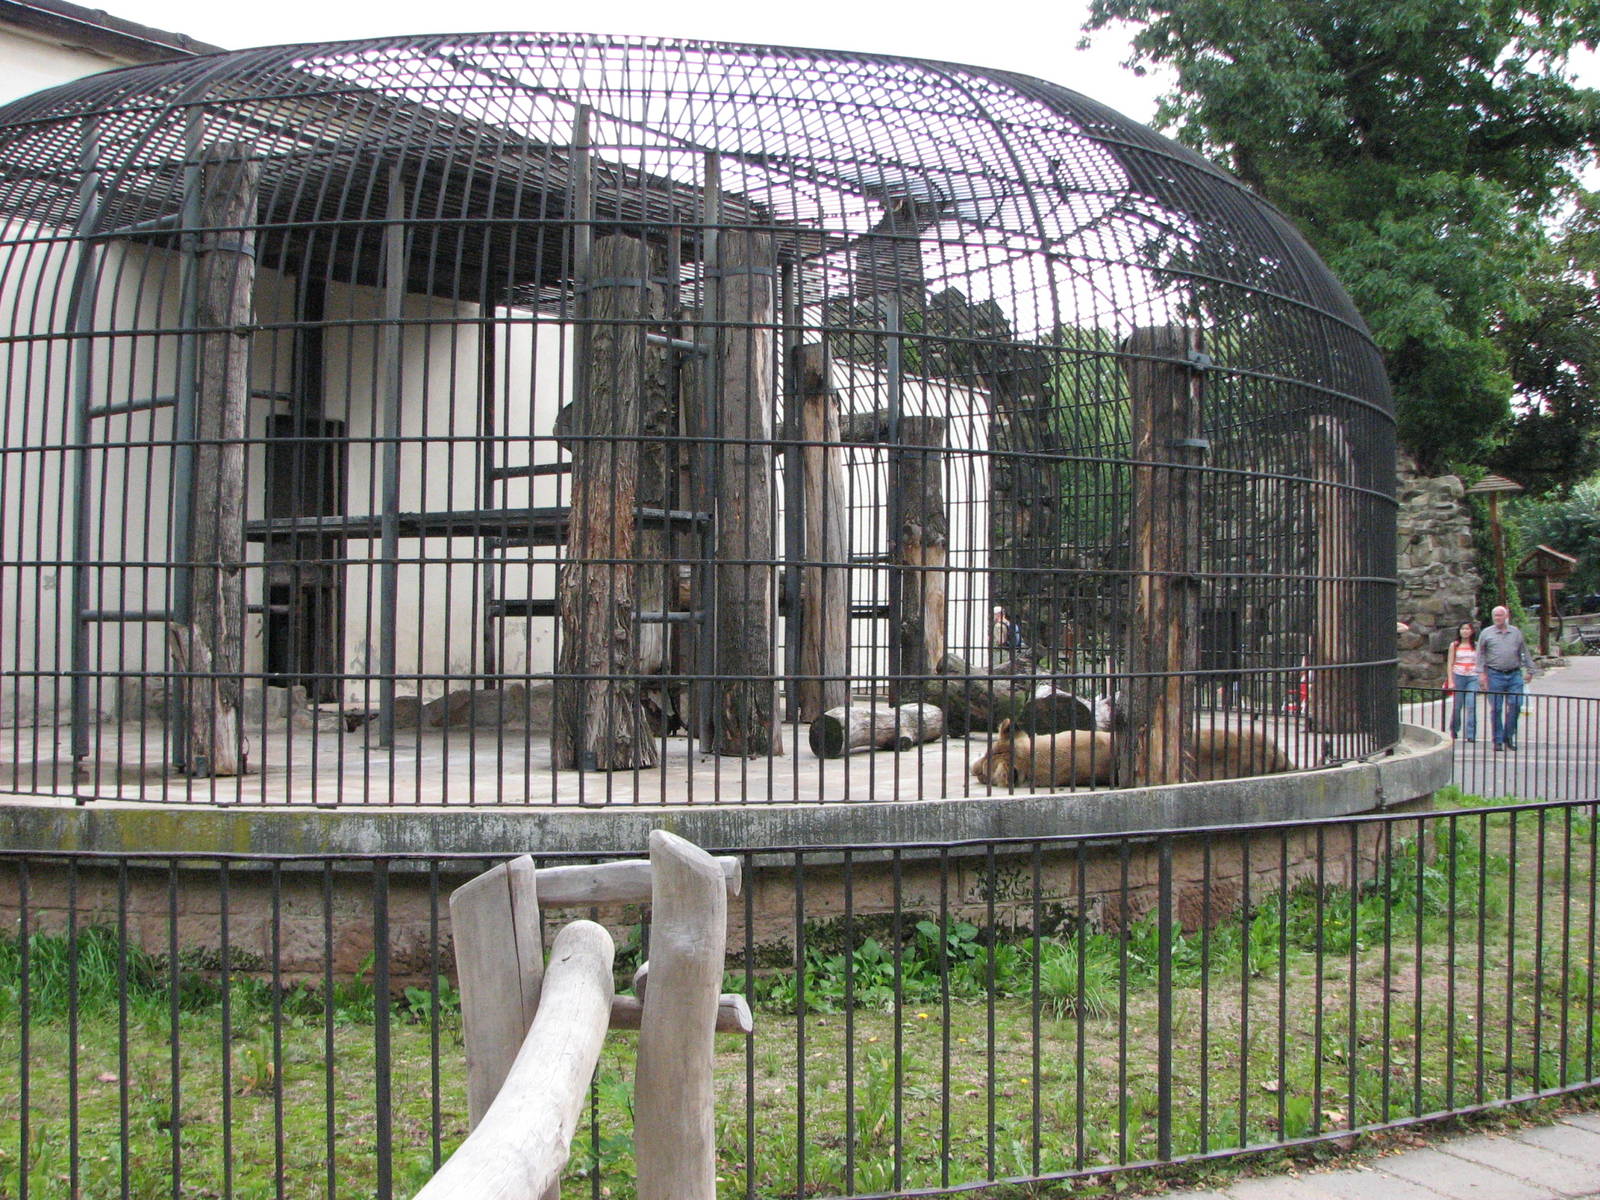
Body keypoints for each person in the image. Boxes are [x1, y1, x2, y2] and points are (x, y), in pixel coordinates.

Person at [1477, 605, 1537, 751]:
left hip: (1514, 673)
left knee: (1516, 704)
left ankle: (1508, 735)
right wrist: (1481, 674)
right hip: (1494, 673)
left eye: (1500, 615)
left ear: (1506, 616)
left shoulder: (1515, 632)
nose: (1497, 618)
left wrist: (1530, 669)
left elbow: (1524, 651)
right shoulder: (1486, 633)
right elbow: (1480, 654)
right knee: (1496, 708)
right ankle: (1497, 739)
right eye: (1495, 615)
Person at [1444, 621, 1479, 741]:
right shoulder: (1454, 645)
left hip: (1472, 676)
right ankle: (1454, 729)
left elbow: (1479, 662)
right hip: (1458, 675)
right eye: (1463, 629)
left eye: (1467, 629)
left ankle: (1471, 734)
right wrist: (1450, 680)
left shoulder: (1476, 645)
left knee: (1471, 704)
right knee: (1457, 706)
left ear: (1472, 631)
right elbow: (1450, 663)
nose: (1465, 631)